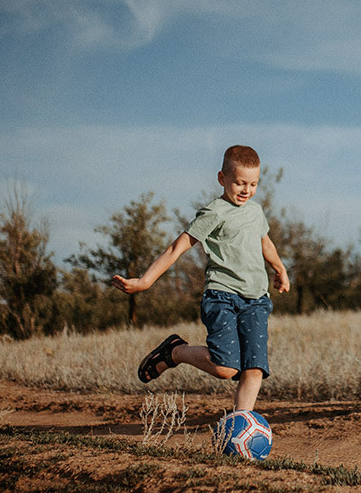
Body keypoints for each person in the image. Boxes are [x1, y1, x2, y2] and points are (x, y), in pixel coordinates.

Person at [113, 145, 289, 413]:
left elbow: (265, 243)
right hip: (223, 297)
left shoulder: (256, 211)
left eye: (253, 184)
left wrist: (280, 269)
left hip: (257, 301)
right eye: (239, 183)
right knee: (226, 368)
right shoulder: (214, 212)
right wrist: (145, 281)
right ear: (222, 179)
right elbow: (178, 247)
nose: (246, 190)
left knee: (254, 369)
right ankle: (176, 351)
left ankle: (240, 424)